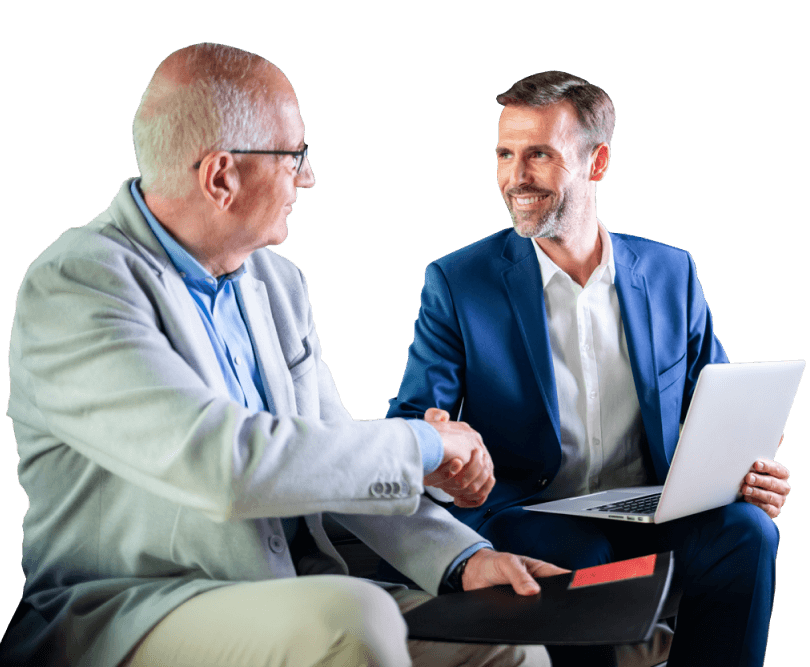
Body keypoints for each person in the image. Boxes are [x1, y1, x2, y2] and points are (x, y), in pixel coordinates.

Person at [1, 44, 571, 667]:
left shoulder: (276, 283)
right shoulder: (78, 285)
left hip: (284, 592)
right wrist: (427, 446)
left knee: (507, 641)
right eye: (294, 155)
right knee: (352, 620)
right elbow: (224, 464)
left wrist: (464, 561)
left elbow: (324, 451)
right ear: (221, 176)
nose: (308, 177)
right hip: (126, 611)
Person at [385, 71, 791, 667]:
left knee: (748, 533)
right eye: (505, 154)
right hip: (531, 511)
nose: (514, 177)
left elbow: (719, 399)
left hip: (656, 507)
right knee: (581, 552)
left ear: (596, 162)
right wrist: (437, 454)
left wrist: (749, 472)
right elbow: (416, 417)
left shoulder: (671, 271)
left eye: (539, 155)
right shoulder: (457, 281)